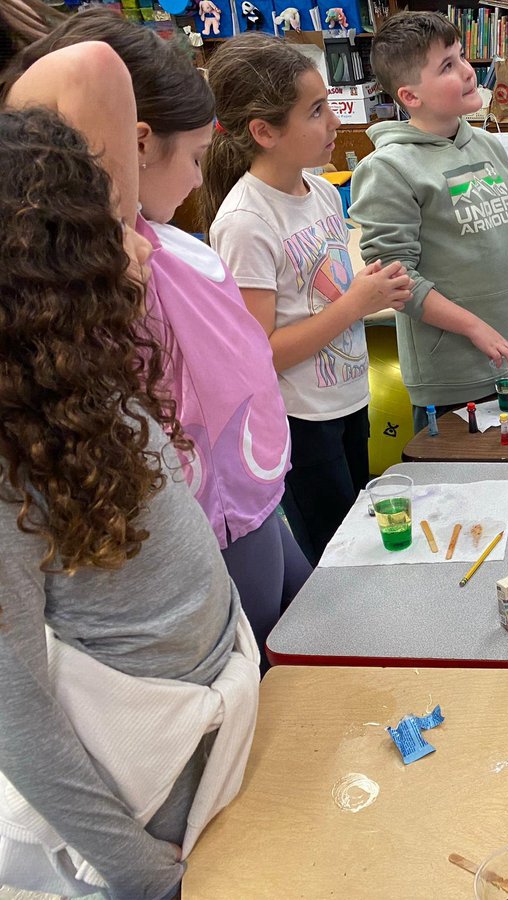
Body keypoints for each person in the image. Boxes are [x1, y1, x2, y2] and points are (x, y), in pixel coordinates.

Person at [0, 104, 258, 900]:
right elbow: (13, 705)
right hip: (152, 804)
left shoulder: (75, 374)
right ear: (46, 273)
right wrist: (139, 871)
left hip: (216, 751)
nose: (142, 244)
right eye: (113, 230)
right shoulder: (9, 454)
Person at [6, 9, 311, 664]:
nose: (201, 178)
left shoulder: (158, 242)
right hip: (213, 520)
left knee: (309, 634)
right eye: (196, 157)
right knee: (265, 678)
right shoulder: (117, 257)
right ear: (137, 143)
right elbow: (89, 68)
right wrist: (116, 222)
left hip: (253, 500)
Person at [200, 34, 413, 565]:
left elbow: (319, 293)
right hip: (301, 422)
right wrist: (355, 303)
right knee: (335, 558)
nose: (335, 122)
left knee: (365, 539)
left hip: (350, 398)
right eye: (316, 111)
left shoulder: (319, 191)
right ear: (264, 132)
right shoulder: (245, 223)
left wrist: (370, 288)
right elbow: (262, 352)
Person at [350, 11, 508, 425]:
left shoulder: (489, 146)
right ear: (410, 96)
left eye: (462, 56)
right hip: (451, 376)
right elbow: (397, 278)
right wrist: (475, 328)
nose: (469, 72)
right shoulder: (388, 168)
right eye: (447, 66)